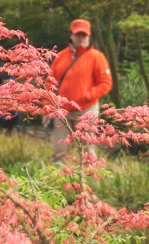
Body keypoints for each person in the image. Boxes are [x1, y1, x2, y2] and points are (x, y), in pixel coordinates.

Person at [47, 18, 113, 163]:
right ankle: (57, 182)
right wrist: (47, 108)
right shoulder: (60, 57)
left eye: (84, 35)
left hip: (86, 110)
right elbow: (50, 83)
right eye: (78, 35)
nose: (81, 38)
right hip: (62, 111)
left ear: (89, 36)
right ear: (71, 35)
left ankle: (88, 183)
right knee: (58, 152)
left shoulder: (97, 57)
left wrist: (88, 95)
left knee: (88, 151)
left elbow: (106, 83)